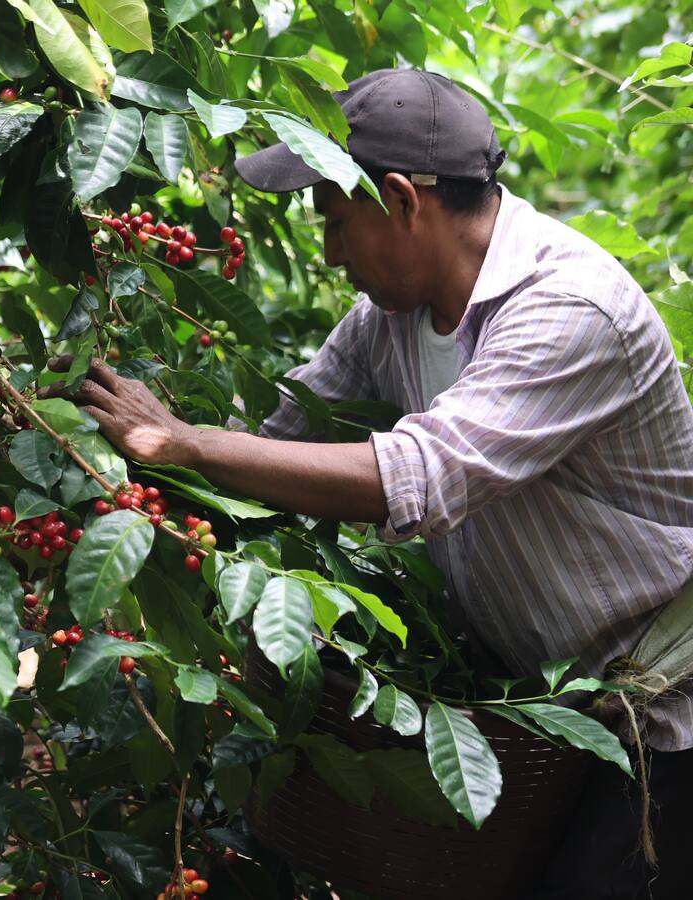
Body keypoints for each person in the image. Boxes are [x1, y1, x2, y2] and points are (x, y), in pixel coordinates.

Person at [55, 69, 693, 899]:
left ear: (399, 201)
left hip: (667, 715)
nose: (327, 251)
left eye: (333, 220)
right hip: (559, 712)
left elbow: (418, 476)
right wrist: (105, 476)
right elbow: (283, 440)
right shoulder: (386, 321)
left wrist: (188, 443)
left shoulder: (571, 310)